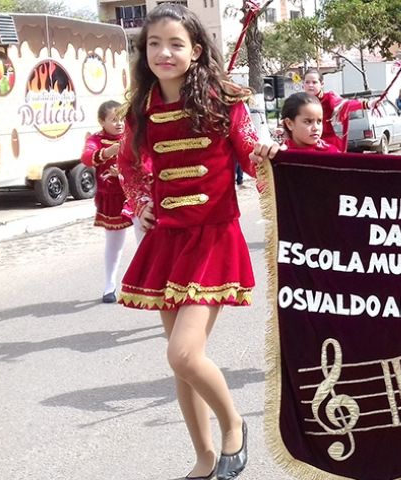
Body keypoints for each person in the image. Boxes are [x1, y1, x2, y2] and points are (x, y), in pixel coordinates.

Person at [114, 4, 279, 479]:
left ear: (196, 51)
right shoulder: (141, 108)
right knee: (182, 365)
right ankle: (205, 459)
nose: (163, 53)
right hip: (167, 241)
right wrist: (140, 201)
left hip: (212, 239)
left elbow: (249, 156)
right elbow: (127, 163)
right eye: (154, 44)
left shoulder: (223, 100)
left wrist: (267, 156)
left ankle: (234, 425)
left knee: (183, 353)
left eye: (175, 44)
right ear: (144, 52)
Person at [80, 100, 143, 303]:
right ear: (102, 121)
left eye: (121, 119)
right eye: (113, 120)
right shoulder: (96, 139)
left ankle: (146, 282)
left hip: (135, 194)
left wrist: (126, 169)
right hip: (112, 196)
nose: (119, 124)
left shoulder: (133, 135)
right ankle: (109, 286)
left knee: (144, 238)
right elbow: (86, 157)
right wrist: (108, 152)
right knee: (114, 242)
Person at [302, 70, 370, 152]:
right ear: (303, 84)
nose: (310, 85)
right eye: (307, 82)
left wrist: (366, 104)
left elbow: (344, 105)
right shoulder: (299, 102)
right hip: (305, 144)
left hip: (327, 144)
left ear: (322, 84)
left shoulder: (328, 97)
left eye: (314, 82)